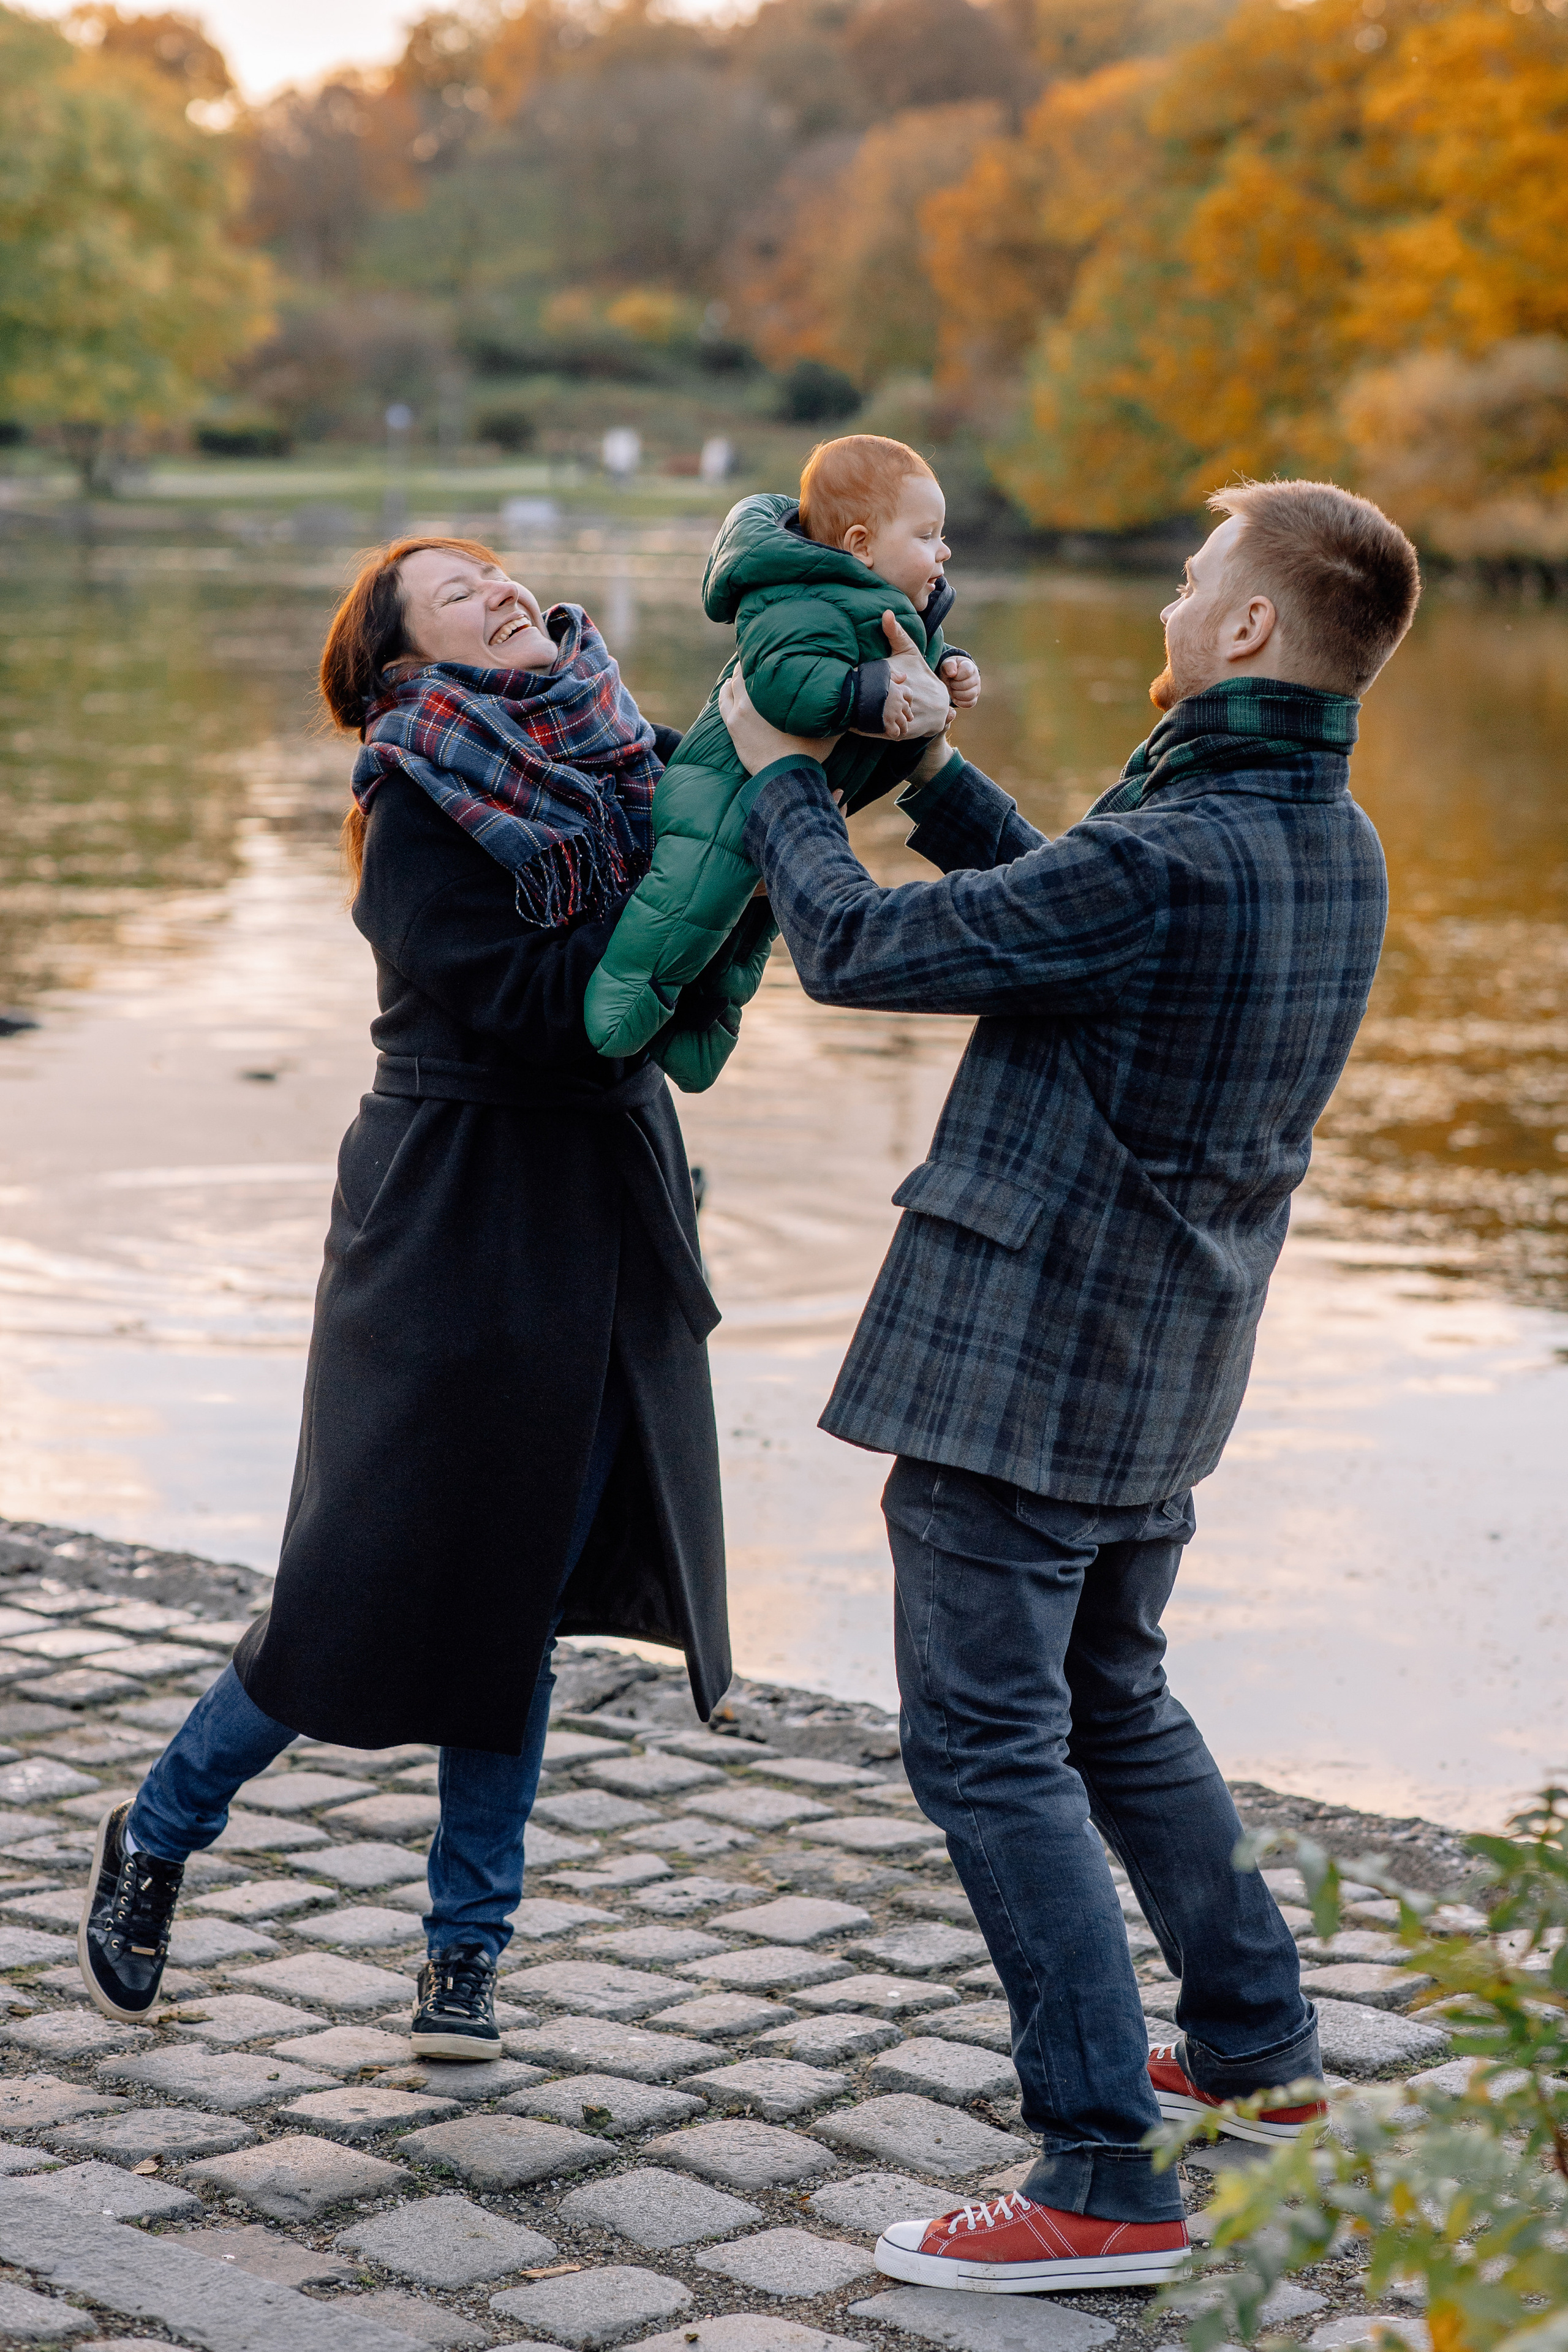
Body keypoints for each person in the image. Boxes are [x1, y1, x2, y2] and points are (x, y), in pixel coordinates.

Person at [716, 479, 1420, 2293]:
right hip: (1165, 1363)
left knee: (988, 1744)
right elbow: (1062, 911)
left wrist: (770, 771)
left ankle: (1099, 2172)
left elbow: (857, 950)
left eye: (1194, 581)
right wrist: (938, 781)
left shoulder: (1175, 846)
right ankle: (1256, 2055)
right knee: (1111, 1691)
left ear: (1251, 629)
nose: (1174, 602)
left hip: (1019, 1371)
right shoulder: (1315, 832)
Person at [78, 536, 729, 2062]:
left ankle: (464, 1949)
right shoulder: (416, 797)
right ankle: (159, 1826)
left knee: (523, 1595)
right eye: (456, 590)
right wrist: (693, 891)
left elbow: (731, 865)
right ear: (401, 662)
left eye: (499, 570)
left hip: (600, 1204)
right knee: (360, 1571)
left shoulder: (624, 753)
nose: (501, 589)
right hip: (448, 1214)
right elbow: (541, 1007)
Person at [581, 435, 982, 1090]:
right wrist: (867, 694)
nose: (944, 551)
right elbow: (781, 678)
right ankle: (620, 1004)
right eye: (927, 535)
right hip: (718, 795)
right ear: (859, 545)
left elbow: (904, 651)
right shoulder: (797, 601)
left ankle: (699, 1034)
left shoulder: (883, 604)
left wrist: (949, 668)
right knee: (687, 909)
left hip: (784, 799)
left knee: (744, 933)